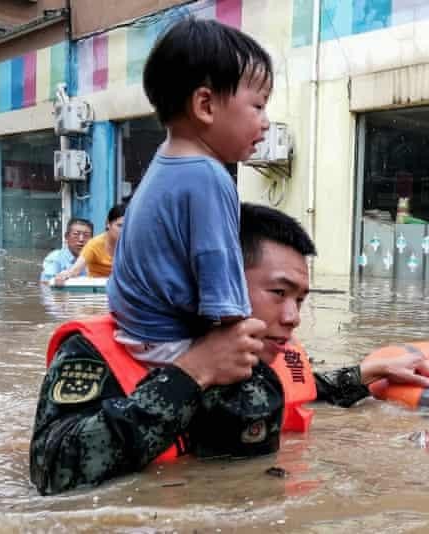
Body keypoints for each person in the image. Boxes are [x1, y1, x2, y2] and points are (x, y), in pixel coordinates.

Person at [30, 203, 429, 495]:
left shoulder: (267, 352)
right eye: (278, 293)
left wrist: (367, 374)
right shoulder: (97, 351)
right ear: (215, 280)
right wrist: (191, 374)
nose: (293, 316)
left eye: (301, 299)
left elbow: (307, 388)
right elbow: (51, 470)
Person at [106, 17, 272, 367]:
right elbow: (223, 290)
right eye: (258, 105)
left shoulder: (165, 163)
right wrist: (250, 338)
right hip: (170, 344)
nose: (266, 121)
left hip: (136, 333)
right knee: (263, 382)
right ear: (206, 106)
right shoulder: (208, 176)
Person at [53, 204, 125, 284]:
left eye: (127, 226)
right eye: (120, 225)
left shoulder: (133, 245)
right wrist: (65, 275)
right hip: (97, 290)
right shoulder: (94, 244)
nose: (123, 230)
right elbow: (75, 269)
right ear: (108, 224)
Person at [40, 218, 93, 283]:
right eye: (76, 234)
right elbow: (46, 284)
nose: (81, 239)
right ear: (66, 237)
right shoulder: (55, 258)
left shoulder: (94, 258)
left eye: (86, 235)